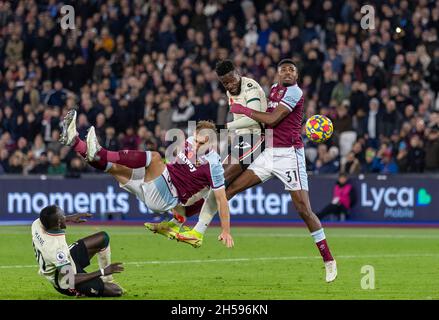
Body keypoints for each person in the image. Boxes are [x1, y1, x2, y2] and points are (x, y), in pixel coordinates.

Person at [178, 59, 337, 282]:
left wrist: (242, 111)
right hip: (268, 152)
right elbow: (267, 124)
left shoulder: (294, 93)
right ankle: (197, 231)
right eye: (283, 70)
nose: (288, 73)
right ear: (278, 74)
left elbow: (271, 119)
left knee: (303, 210)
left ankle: (329, 260)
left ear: (297, 75)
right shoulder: (274, 90)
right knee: (227, 189)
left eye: (292, 69)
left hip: (290, 156)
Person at [59, 110, 234, 248]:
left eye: (202, 143)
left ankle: (100, 150)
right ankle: (75, 143)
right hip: (158, 183)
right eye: (196, 140)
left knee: (155, 157)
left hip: (166, 196)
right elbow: (177, 166)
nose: (196, 145)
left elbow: (221, 200)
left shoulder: (214, 166)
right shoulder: (189, 141)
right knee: (113, 168)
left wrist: (225, 230)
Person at [145, 60, 267, 246]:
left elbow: (253, 119)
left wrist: (223, 128)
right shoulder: (230, 91)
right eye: (225, 83)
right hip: (240, 140)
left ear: (238, 73)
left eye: (232, 80)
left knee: (219, 182)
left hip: (255, 138)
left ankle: (195, 230)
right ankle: (182, 224)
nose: (230, 85)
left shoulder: (250, 88)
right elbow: (238, 119)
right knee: (213, 185)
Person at [31, 205, 124, 297]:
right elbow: (69, 279)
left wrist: (70, 218)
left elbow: (51, 219)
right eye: (63, 216)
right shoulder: (56, 249)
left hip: (67, 261)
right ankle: (80, 290)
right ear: (59, 222)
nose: (65, 217)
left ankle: (107, 280)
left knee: (103, 238)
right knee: (117, 290)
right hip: (65, 281)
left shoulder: (37, 224)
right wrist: (102, 271)